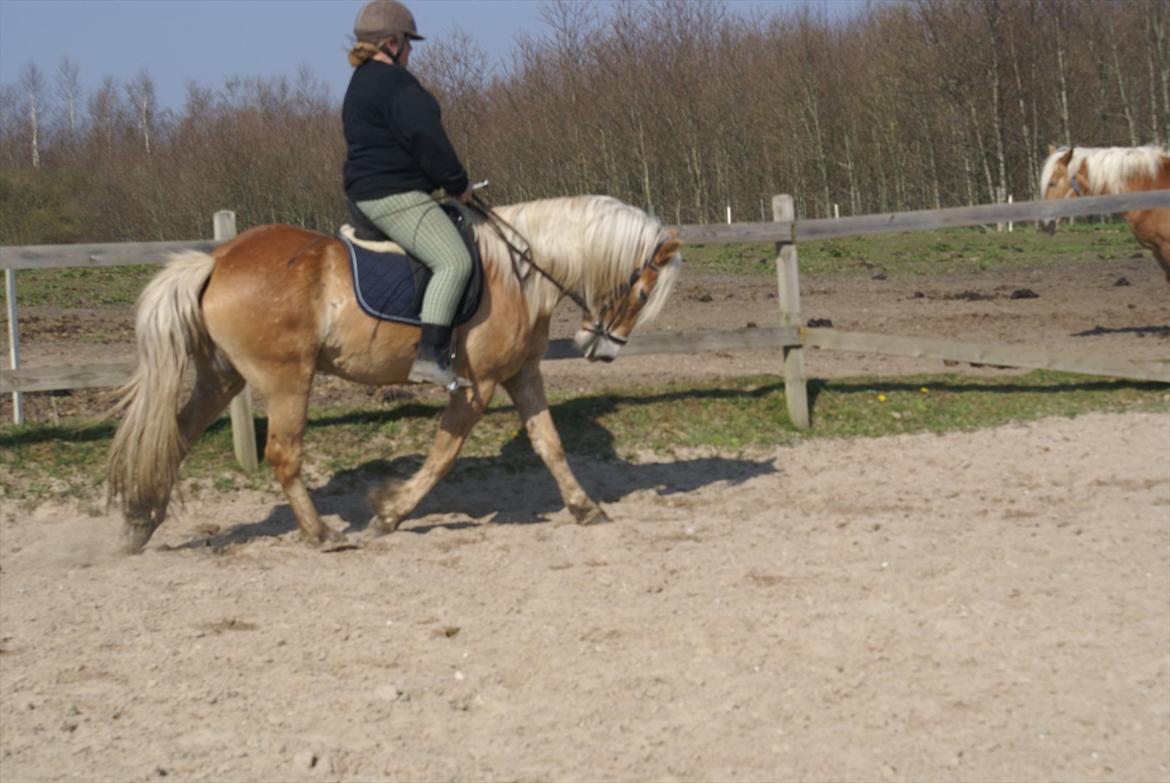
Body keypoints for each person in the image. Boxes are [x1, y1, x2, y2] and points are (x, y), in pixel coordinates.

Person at [342, 0, 474, 389]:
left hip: (367, 194)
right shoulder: (397, 84)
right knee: (454, 261)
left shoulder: (360, 82)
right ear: (393, 43)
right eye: (409, 43)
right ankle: (431, 357)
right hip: (394, 196)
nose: (411, 52)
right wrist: (458, 184)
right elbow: (427, 141)